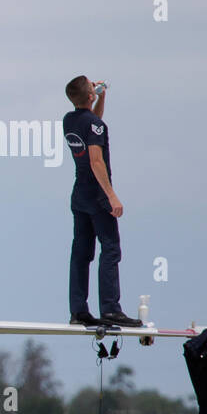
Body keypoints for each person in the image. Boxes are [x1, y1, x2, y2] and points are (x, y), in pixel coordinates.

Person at [63, 76, 141, 328]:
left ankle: (78, 310)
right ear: (89, 96)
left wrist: (101, 97)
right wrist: (111, 195)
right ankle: (110, 309)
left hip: (79, 194)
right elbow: (97, 161)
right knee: (110, 249)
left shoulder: (71, 120)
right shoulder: (95, 124)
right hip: (97, 195)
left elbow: (92, 124)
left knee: (81, 253)